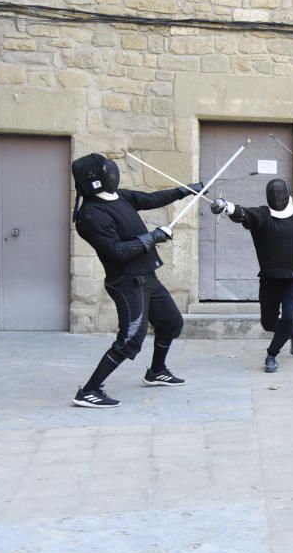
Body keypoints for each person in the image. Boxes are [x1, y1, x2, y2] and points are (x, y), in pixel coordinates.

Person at [71, 153, 204, 408]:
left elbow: (150, 199)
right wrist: (153, 237)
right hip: (126, 282)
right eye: (108, 171)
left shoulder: (119, 197)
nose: (114, 173)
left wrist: (184, 191)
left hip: (147, 276)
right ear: (96, 180)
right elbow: (115, 251)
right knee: (131, 337)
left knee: (170, 322)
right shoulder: (90, 215)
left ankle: (156, 371)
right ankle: (88, 391)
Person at [211, 165, 293, 373]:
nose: (277, 197)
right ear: (268, 196)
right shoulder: (262, 215)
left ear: (286, 194)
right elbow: (242, 214)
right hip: (269, 281)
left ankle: (272, 355)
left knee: (287, 317)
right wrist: (225, 207)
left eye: (280, 193)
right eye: (273, 194)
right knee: (268, 323)